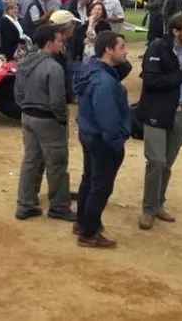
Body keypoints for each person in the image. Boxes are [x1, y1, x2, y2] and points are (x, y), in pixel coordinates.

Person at [135, 13, 182, 230]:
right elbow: (150, 80)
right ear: (176, 31)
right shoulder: (158, 47)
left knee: (167, 162)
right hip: (157, 111)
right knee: (156, 161)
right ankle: (148, 209)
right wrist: (181, 75)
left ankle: (158, 204)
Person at [71, 31, 130, 249]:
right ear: (108, 49)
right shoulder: (104, 81)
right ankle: (88, 232)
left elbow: (126, 67)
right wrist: (116, 141)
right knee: (101, 186)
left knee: (89, 179)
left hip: (88, 133)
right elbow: (108, 116)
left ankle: (82, 222)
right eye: (122, 47)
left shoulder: (90, 69)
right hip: (102, 139)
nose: (126, 51)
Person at [14, 25, 74, 222]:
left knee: (31, 161)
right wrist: (62, 119)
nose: (61, 43)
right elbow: (57, 100)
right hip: (47, 119)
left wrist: (26, 107)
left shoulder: (24, 62)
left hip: (28, 116)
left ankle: (25, 204)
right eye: (59, 40)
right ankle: (58, 206)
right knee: (56, 164)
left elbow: (18, 95)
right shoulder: (53, 67)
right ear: (49, 43)